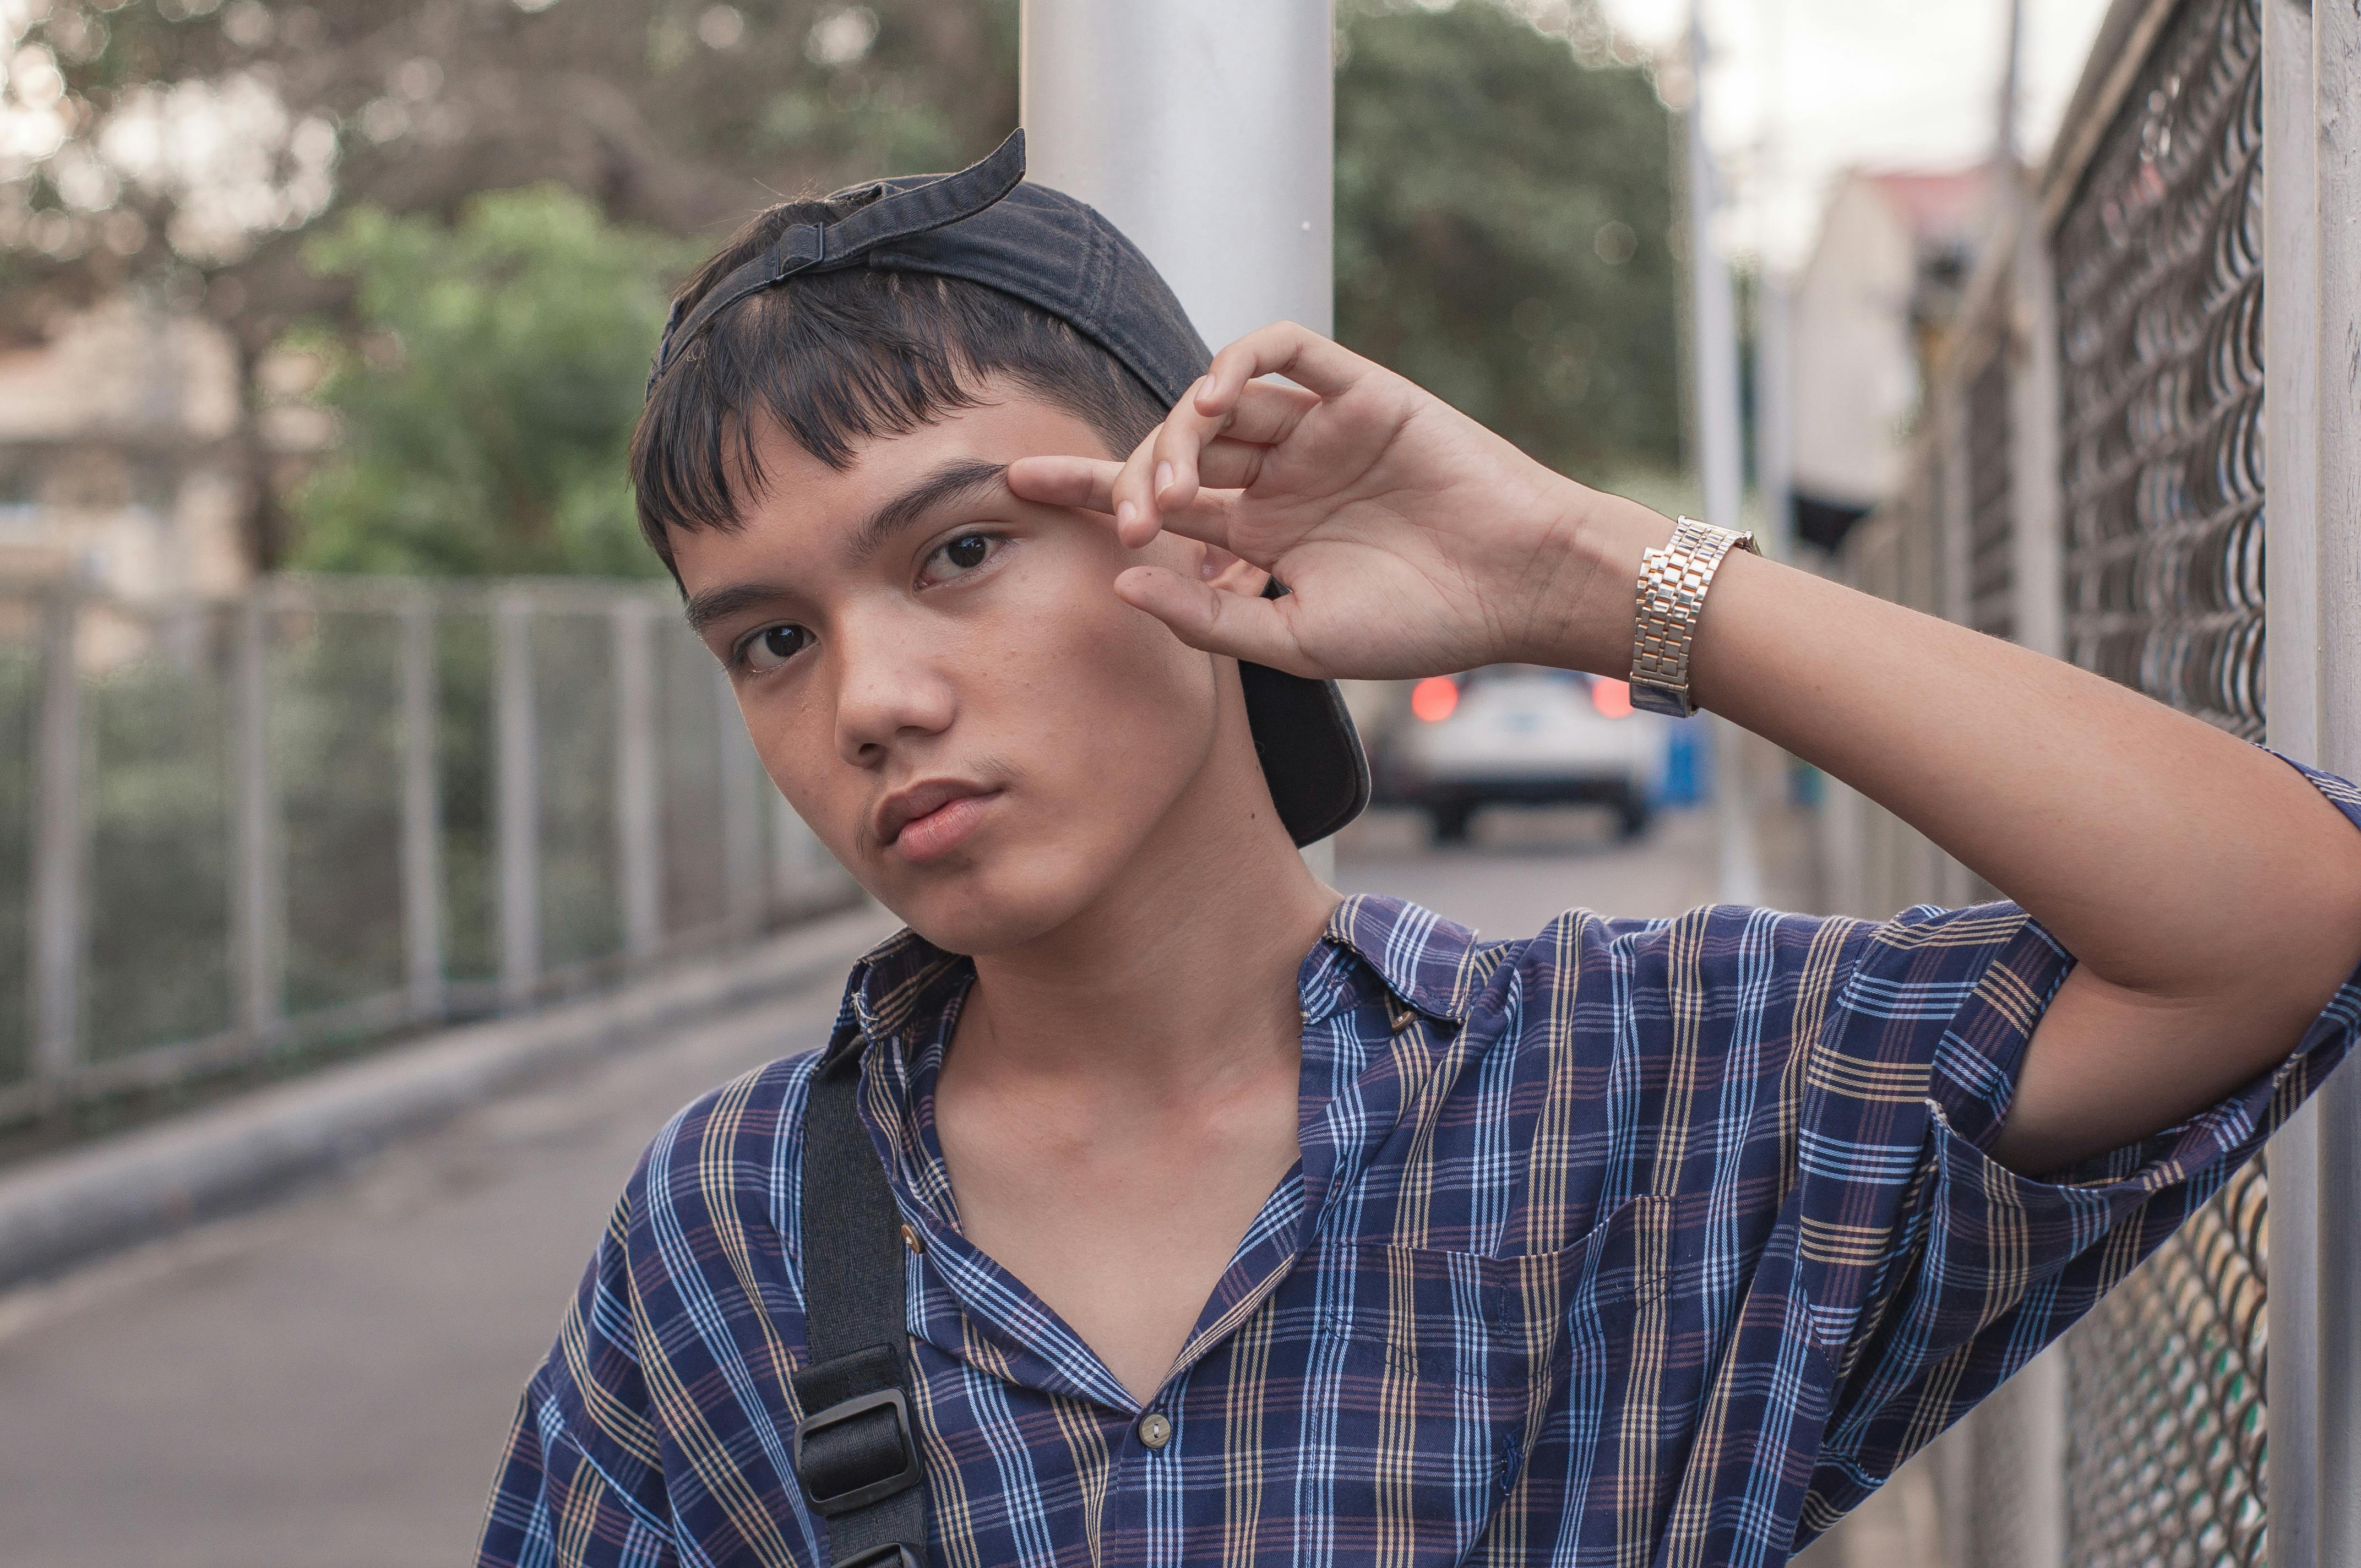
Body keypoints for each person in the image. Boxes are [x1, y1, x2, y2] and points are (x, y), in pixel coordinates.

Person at [477, 133, 2361, 1568]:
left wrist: (1577, 572)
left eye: (961, 550)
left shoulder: (1636, 1087)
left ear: (1205, 528)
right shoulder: (729, 1231)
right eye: (771, 640)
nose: (868, 697)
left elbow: (2270, 919)